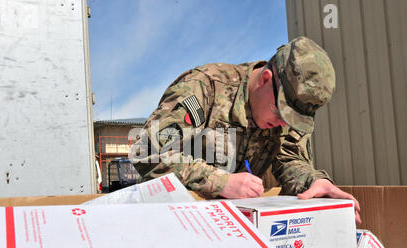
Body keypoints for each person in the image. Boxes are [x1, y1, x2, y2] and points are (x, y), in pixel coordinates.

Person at [130, 36, 361, 224]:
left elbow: (289, 159)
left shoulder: (290, 109)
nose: (283, 124)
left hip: (235, 230)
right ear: (265, 79)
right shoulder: (205, 88)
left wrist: (312, 181)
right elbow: (146, 150)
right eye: (280, 113)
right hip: (176, 223)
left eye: (291, 121)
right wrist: (221, 182)